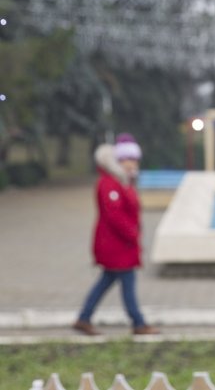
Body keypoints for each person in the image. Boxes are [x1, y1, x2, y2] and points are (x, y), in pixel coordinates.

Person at [73, 133, 158, 335]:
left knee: (106, 282)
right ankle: (138, 322)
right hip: (116, 245)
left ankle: (84, 318)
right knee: (127, 284)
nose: (133, 163)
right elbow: (115, 216)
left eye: (135, 159)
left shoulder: (121, 182)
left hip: (120, 244)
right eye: (128, 159)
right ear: (118, 161)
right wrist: (132, 234)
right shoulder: (109, 184)